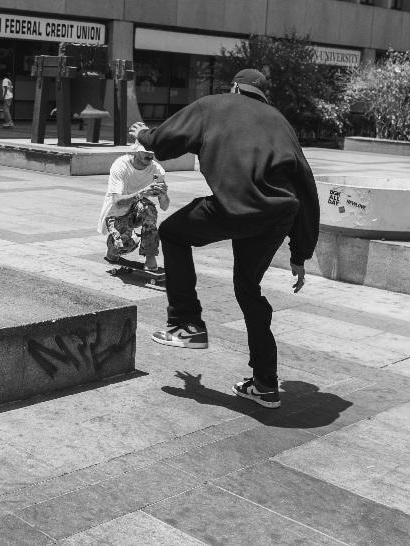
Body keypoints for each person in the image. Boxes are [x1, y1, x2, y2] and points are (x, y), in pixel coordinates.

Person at [129, 68, 320, 409]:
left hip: (236, 205)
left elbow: (165, 142)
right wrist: (300, 253)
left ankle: (186, 323)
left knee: (173, 234)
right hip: (277, 215)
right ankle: (265, 384)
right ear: (262, 95)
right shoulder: (280, 122)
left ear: (235, 87)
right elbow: (305, 186)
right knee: (248, 289)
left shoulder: (213, 106)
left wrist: (143, 134)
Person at [97, 142, 170, 271]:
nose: (150, 155)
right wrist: (142, 193)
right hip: (117, 212)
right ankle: (113, 247)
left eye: (152, 152)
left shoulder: (156, 170)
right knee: (125, 245)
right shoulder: (121, 165)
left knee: (149, 209)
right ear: (136, 151)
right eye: (146, 152)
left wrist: (163, 194)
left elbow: (164, 206)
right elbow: (117, 201)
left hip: (137, 208)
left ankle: (150, 256)